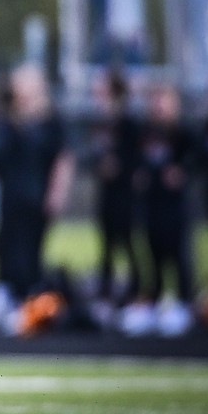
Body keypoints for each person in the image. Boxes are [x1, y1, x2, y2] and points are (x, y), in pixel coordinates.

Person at [0, 64, 74, 333]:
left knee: (30, 254)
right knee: (3, 246)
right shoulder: (7, 120)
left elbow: (62, 159)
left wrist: (56, 193)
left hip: (35, 198)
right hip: (11, 197)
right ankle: (6, 296)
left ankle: (30, 304)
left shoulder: (50, 122)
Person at [120, 81, 198, 337]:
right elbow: (133, 161)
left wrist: (182, 173)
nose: (158, 106)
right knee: (151, 254)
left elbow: (198, 160)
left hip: (175, 207)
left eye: (163, 100)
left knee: (179, 255)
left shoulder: (184, 132)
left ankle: (184, 304)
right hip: (151, 205)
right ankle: (152, 302)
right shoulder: (145, 133)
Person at [81, 68, 143, 326]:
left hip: (125, 195)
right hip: (107, 194)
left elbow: (136, 160)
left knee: (128, 243)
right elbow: (90, 158)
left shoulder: (129, 124)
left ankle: (135, 295)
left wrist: (120, 169)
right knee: (106, 245)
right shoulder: (102, 124)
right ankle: (107, 296)